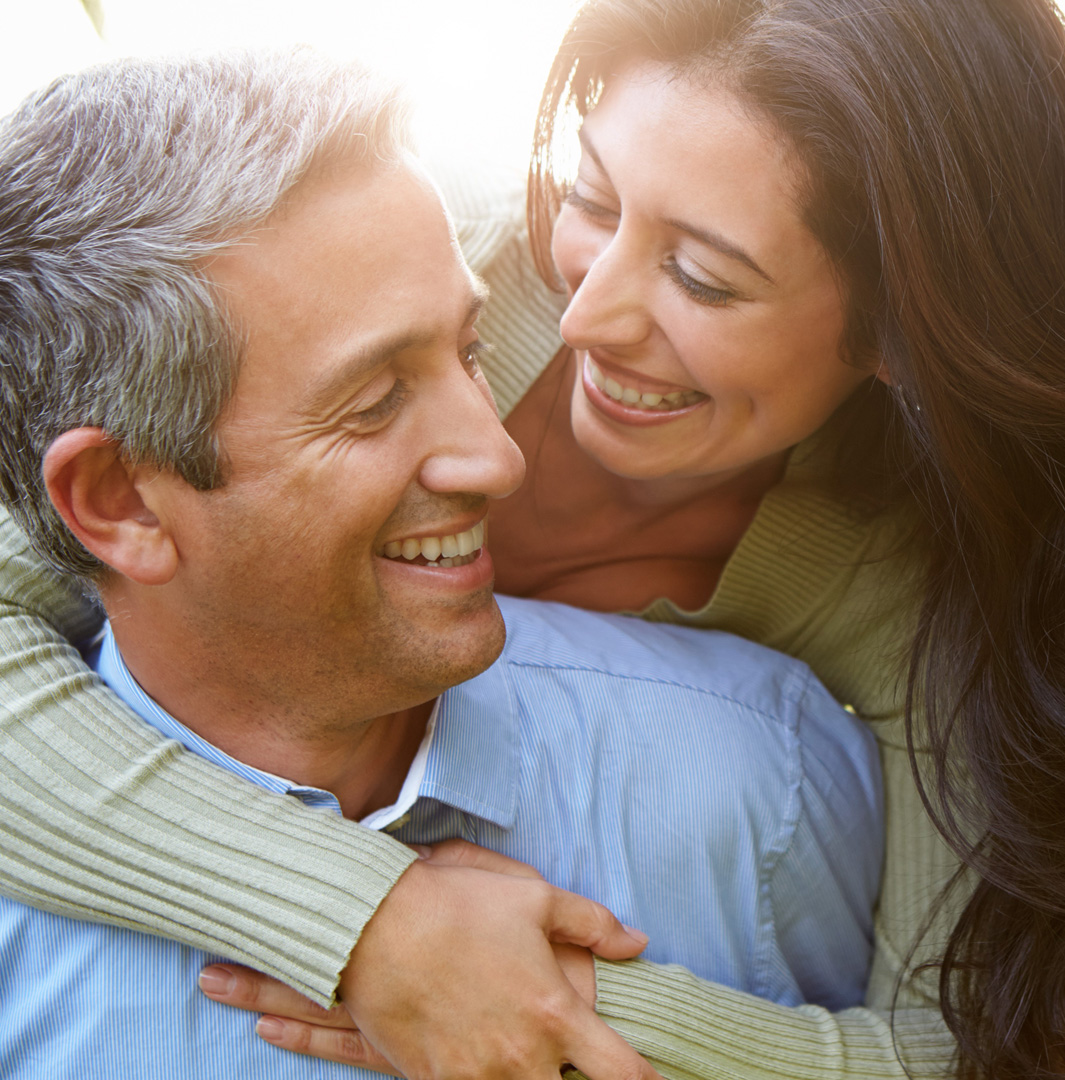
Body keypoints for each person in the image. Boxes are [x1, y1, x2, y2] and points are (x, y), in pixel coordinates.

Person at [0, 0, 1065, 1077]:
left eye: (705, 280)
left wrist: (554, 1010)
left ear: (899, 330)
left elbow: (969, 1048)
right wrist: (363, 922)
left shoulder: (919, 595)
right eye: (594, 199)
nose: (589, 311)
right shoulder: (397, 271)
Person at [0, 49, 884, 1078]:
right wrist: (357, 919)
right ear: (120, 501)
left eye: (470, 351)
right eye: (374, 401)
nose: (500, 456)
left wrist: (580, 1021)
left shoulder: (767, 780)